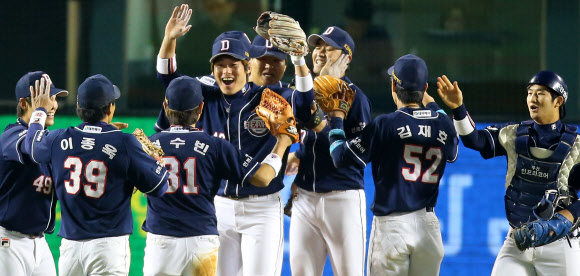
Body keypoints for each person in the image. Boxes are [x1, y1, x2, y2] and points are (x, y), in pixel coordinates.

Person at [156, 5, 314, 275]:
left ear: (248, 65)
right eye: (220, 64)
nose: (226, 71)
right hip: (219, 205)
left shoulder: (270, 99)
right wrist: (169, 39)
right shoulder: (206, 92)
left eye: (233, 64)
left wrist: (299, 62)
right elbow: (168, 79)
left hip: (262, 207)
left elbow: (304, 105)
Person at [142, 76, 294, 275]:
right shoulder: (215, 146)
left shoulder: (148, 145)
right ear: (200, 109)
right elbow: (264, 178)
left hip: (160, 240)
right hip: (201, 240)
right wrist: (283, 142)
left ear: (165, 107)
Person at [24, 75, 169, 276]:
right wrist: (153, 160)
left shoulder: (58, 138)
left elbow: (31, 145)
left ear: (78, 107)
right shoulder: (124, 143)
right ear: (110, 108)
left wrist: (39, 111)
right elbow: (160, 186)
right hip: (108, 248)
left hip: (71, 249)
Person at [437, 71, 580, 275]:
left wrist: (566, 218)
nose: (532, 98)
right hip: (518, 241)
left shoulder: (576, 146)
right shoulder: (513, 134)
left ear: (558, 101)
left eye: (540, 93)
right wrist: (458, 109)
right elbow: (474, 140)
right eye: (530, 92)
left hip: (560, 244)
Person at [327, 54, 458, 275]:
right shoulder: (443, 122)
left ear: (393, 87)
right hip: (429, 227)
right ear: (425, 87)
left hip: (392, 227)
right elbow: (452, 152)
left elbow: (339, 157)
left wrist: (336, 118)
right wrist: (432, 101)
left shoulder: (385, 124)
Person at [284, 26, 372, 275]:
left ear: (347, 57)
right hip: (305, 197)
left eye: (329, 47)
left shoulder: (356, 97)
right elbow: (306, 127)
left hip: (342, 197)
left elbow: (354, 157)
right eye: (317, 46)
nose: (320, 52)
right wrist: (300, 154)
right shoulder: (305, 88)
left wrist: (323, 125)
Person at [0, 72, 67, 276]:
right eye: (43, 100)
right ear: (24, 103)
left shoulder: (48, 139)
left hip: (40, 243)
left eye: (53, 98)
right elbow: (34, 148)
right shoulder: (11, 136)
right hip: (8, 242)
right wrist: (39, 113)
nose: (51, 105)